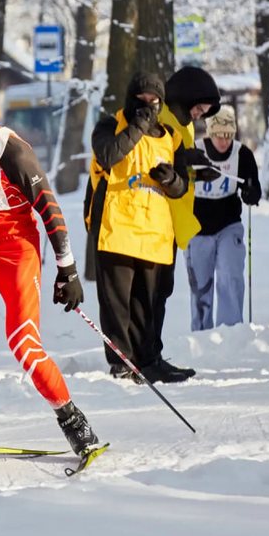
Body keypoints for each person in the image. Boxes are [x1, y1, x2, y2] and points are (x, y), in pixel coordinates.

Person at [0, 78, 100, 457]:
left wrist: (68, 271)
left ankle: (75, 423)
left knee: (23, 343)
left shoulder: (12, 152)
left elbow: (51, 211)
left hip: (16, 251)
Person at [86, 72, 199, 384]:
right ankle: (122, 362)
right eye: (142, 99)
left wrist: (171, 179)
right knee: (117, 306)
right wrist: (137, 125)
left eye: (154, 101)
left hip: (154, 234)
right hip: (116, 229)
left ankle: (149, 360)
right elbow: (107, 155)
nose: (148, 105)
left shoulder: (170, 137)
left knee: (149, 305)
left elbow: (181, 186)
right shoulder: (110, 124)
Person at [151, 65, 223, 343]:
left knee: (163, 289)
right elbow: (158, 167)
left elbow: (178, 172)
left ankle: (152, 351)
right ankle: (145, 355)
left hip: (173, 218)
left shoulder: (185, 125)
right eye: (200, 108)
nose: (200, 115)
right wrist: (186, 163)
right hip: (157, 216)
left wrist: (196, 174)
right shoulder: (163, 119)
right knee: (154, 290)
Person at [185, 106, 261, 330]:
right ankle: (201, 335)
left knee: (231, 277)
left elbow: (254, 188)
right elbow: (179, 180)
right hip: (197, 227)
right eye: (219, 135)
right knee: (201, 286)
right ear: (210, 132)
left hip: (228, 224)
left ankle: (230, 332)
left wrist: (250, 192)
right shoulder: (195, 151)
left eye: (228, 135)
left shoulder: (242, 154)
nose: (224, 141)